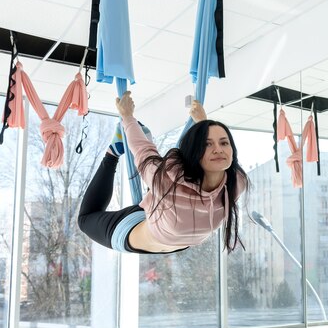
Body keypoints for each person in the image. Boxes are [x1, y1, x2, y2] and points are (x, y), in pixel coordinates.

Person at [78, 91, 249, 254]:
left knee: (158, 175)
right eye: (207, 144)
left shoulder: (237, 183)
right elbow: (142, 151)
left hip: (168, 226)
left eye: (224, 143)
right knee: (85, 220)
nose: (219, 150)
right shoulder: (166, 181)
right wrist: (127, 117)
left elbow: (216, 155)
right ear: (196, 151)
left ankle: (145, 169)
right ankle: (113, 153)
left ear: (232, 150)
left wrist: (203, 123)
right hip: (135, 229)